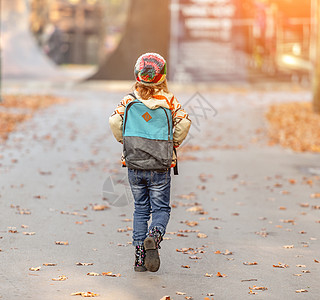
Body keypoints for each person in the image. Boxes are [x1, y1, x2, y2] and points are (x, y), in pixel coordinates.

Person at [109, 53, 191, 272]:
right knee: (161, 208)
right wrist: (172, 143)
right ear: (163, 76)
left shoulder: (130, 100)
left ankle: (139, 260)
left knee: (140, 210)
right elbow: (184, 122)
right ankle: (154, 236)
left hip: (135, 165)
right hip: (160, 165)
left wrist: (123, 140)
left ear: (137, 75)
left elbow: (114, 121)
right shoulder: (169, 100)